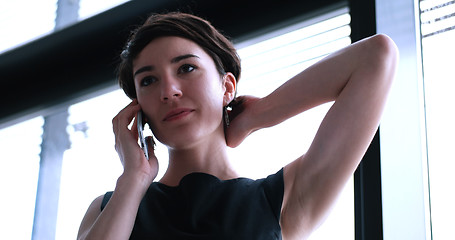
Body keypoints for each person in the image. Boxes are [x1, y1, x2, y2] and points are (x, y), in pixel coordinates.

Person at [77, 12, 398, 240]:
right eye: (148, 80)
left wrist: (258, 115)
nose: (168, 91)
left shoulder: (284, 199)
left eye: (186, 68)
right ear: (136, 108)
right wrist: (134, 179)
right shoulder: (109, 208)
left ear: (227, 86)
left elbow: (376, 57)